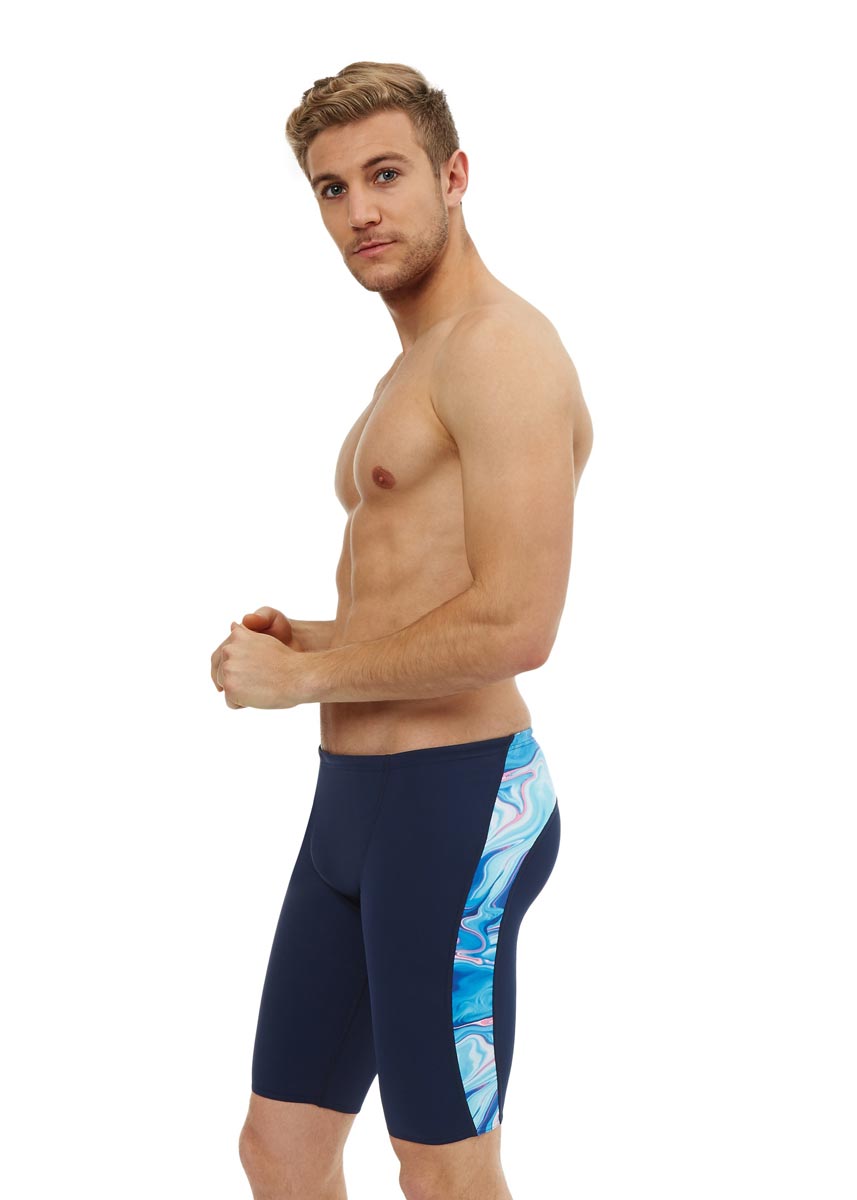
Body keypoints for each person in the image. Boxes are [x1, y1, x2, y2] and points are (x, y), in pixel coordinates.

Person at [210, 60, 594, 1200]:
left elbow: (516, 622)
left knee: (442, 1167)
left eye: (385, 175)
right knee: (279, 1148)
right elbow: (429, 597)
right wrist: (312, 642)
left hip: (456, 802)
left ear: (454, 176)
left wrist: (303, 681)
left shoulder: (500, 351)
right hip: (354, 806)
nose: (358, 211)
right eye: (331, 189)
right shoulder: (413, 366)